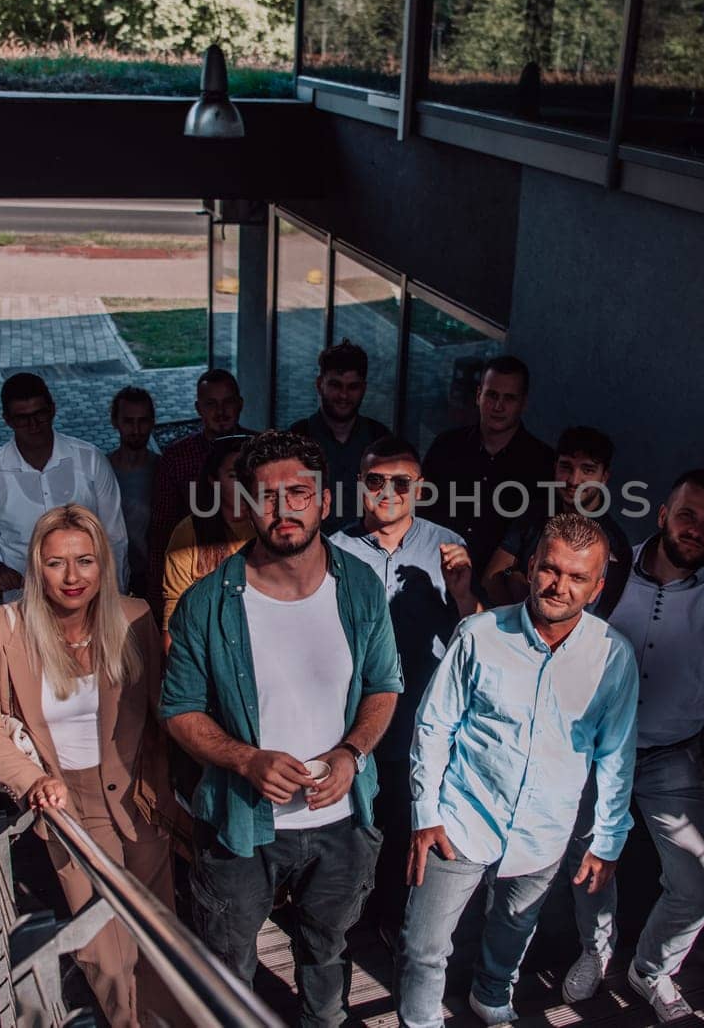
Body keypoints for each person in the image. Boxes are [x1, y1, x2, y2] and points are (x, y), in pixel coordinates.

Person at [160, 430, 402, 1027]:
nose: (284, 509)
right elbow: (178, 709)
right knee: (230, 962)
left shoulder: (362, 589)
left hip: (342, 825)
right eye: (267, 496)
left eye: (299, 493)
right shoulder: (206, 604)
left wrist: (351, 754)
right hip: (242, 827)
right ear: (247, 504)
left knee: (328, 952)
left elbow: (384, 687)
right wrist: (245, 760)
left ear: (323, 501)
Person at [560, 468, 704, 1019]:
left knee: (697, 886)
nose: (696, 530)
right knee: (591, 868)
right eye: (687, 515)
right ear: (662, 514)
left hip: (672, 755)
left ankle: (650, 970)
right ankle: (596, 952)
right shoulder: (609, 569)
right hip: (593, 753)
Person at [400, 513, 639, 1028]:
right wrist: (425, 813)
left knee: (513, 930)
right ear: (530, 568)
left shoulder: (612, 657)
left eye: (578, 577)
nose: (560, 586)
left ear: (597, 588)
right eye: (551, 570)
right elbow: (434, 725)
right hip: (460, 817)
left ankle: (491, 998)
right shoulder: (479, 634)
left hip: (544, 830)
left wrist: (608, 840)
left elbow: (617, 755)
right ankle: (419, 1022)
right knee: (424, 946)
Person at [0, 505, 178, 1028]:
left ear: (104, 563)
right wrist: (30, 779)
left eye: (85, 561)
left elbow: (162, 707)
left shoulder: (134, 617)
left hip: (137, 794)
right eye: (56, 563)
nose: (73, 577)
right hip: (64, 800)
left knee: (159, 936)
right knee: (105, 950)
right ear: (36, 566)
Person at [326, 435, 481, 933]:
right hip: (351, 721)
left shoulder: (447, 544)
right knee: (351, 833)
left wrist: (462, 593)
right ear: (360, 485)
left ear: (420, 487)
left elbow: (474, 637)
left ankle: (394, 929)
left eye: (401, 482)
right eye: (376, 481)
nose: (388, 491)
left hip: (418, 721)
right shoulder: (334, 548)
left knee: (403, 832)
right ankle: (345, 926)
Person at [0, 373, 128, 596]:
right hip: (23, 597)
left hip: (87, 595)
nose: (33, 425)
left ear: (52, 410)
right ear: (7, 420)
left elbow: (114, 536)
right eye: (22, 419)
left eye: (39, 414)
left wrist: (116, 594)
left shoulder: (90, 459)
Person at [420, 355, 555, 571]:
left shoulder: (544, 464)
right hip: (434, 572)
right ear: (478, 395)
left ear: (523, 403)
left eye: (509, 398)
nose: (498, 406)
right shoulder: (446, 446)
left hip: (498, 591)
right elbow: (420, 512)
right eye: (492, 395)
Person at [482, 426, 632, 617]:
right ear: (555, 467)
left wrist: (517, 581)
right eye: (566, 467)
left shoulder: (614, 543)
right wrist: (519, 617)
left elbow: (594, 614)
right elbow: (491, 577)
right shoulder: (534, 514)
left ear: (604, 477)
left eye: (587, 470)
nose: (574, 480)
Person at [146, 369, 249, 623]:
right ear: (198, 408)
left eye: (228, 402)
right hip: (195, 569)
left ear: (240, 404)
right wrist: (157, 603)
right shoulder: (177, 457)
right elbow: (161, 530)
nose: (221, 411)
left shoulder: (259, 448)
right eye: (211, 404)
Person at [288, 339, 391, 535]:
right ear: (320, 385)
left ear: (364, 388)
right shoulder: (296, 437)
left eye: (353, 387)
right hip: (310, 548)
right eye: (336, 385)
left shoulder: (380, 438)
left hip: (368, 549)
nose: (344, 395)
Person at [160, 434, 253, 650]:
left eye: (249, 475)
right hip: (207, 652)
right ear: (214, 480)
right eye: (234, 475)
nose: (244, 485)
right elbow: (173, 619)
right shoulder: (190, 532)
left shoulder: (273, 526)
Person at [107, 386, 159, 598]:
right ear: (115, 422)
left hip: (151, 576)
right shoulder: (101, 471)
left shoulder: (162, 470)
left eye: (143, 421)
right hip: (110, 575)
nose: (136, 429)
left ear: (152, 422)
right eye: (128, 421)